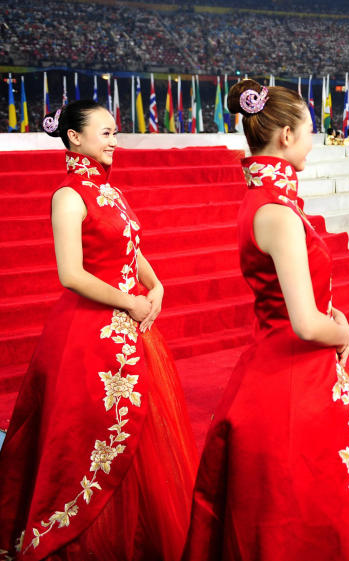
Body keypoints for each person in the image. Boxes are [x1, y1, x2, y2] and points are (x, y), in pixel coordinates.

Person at [182, 80, 349, 560]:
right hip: (292, 379)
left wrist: (328, 313)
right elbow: (307, 325)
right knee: (311, 515)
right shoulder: (276, 212)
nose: (316, 141)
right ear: (288, 137)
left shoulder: (269, 203)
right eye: (312, 130)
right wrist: (344, 330)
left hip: (280, 369)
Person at [0, 100, 198, 560]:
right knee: (89, 444)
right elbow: (70, 274)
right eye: (106, 133)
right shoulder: (68, 196)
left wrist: (156, 283)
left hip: (131, 331)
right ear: (75, 137)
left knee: (141, 441)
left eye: (115, 132)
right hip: (89, 336)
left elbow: (130, 247)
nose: (115, 141)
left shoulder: (113, 191)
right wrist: (130, 300)